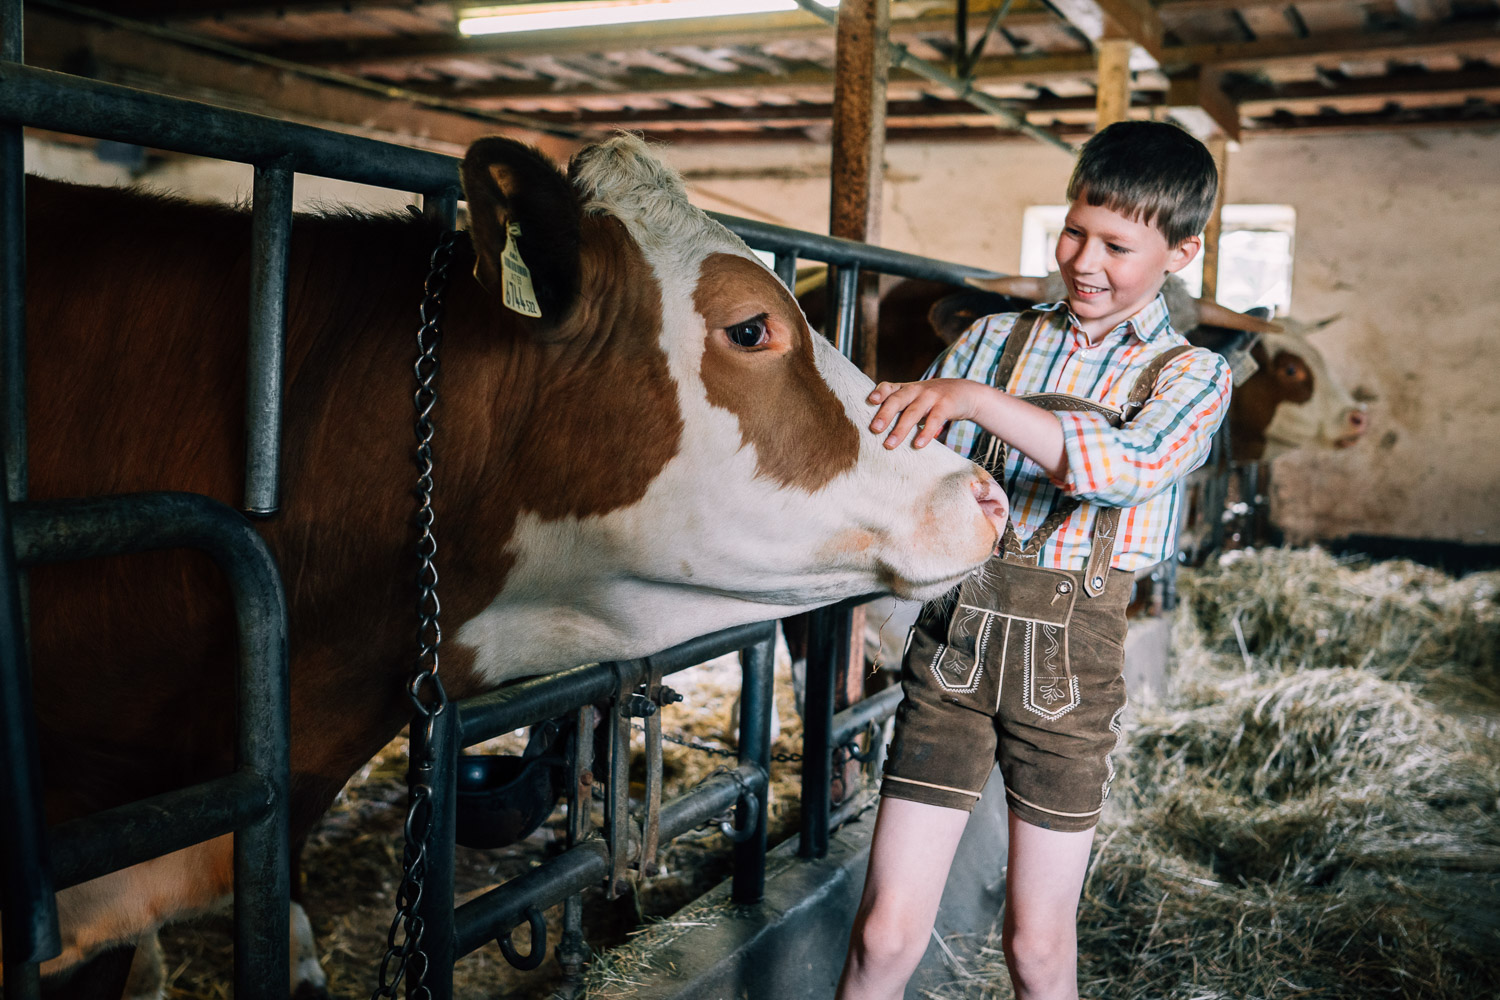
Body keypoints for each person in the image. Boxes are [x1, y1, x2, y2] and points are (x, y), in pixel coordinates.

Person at [837, 120, 1234, 1000]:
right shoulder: (993, 339)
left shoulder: (1190, 375)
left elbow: (1122, 468)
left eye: (1117, 247)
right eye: (1074, 231)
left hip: (1069, 672)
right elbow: (912, 462)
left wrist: (977, 403)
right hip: (953, 649)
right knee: (884, 933)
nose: (1083, 262)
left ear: (1181, 253)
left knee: (1036, 947)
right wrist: (953, 478)